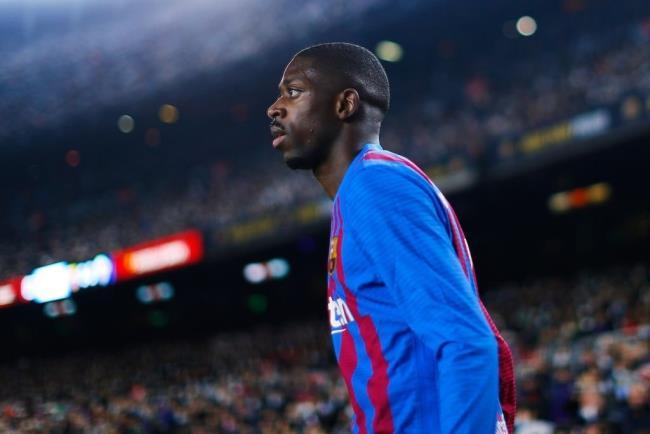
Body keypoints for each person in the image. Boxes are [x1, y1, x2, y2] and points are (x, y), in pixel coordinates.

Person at [267, 42, 515, 434]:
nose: (274, 108)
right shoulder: (360, 191)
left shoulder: (375, 185)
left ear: (345, 104)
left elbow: (467, 343)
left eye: (293, 92)